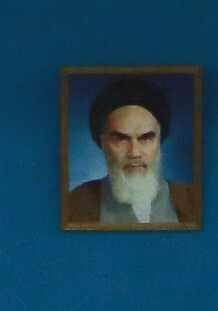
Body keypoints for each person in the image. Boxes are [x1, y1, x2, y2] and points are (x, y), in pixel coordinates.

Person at [64, 77, 197, 227]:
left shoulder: (192, 199)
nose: (134, 153)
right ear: (103, 143)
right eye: (121, 139)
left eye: (146, 138)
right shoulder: (77, 203)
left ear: (159, 141)